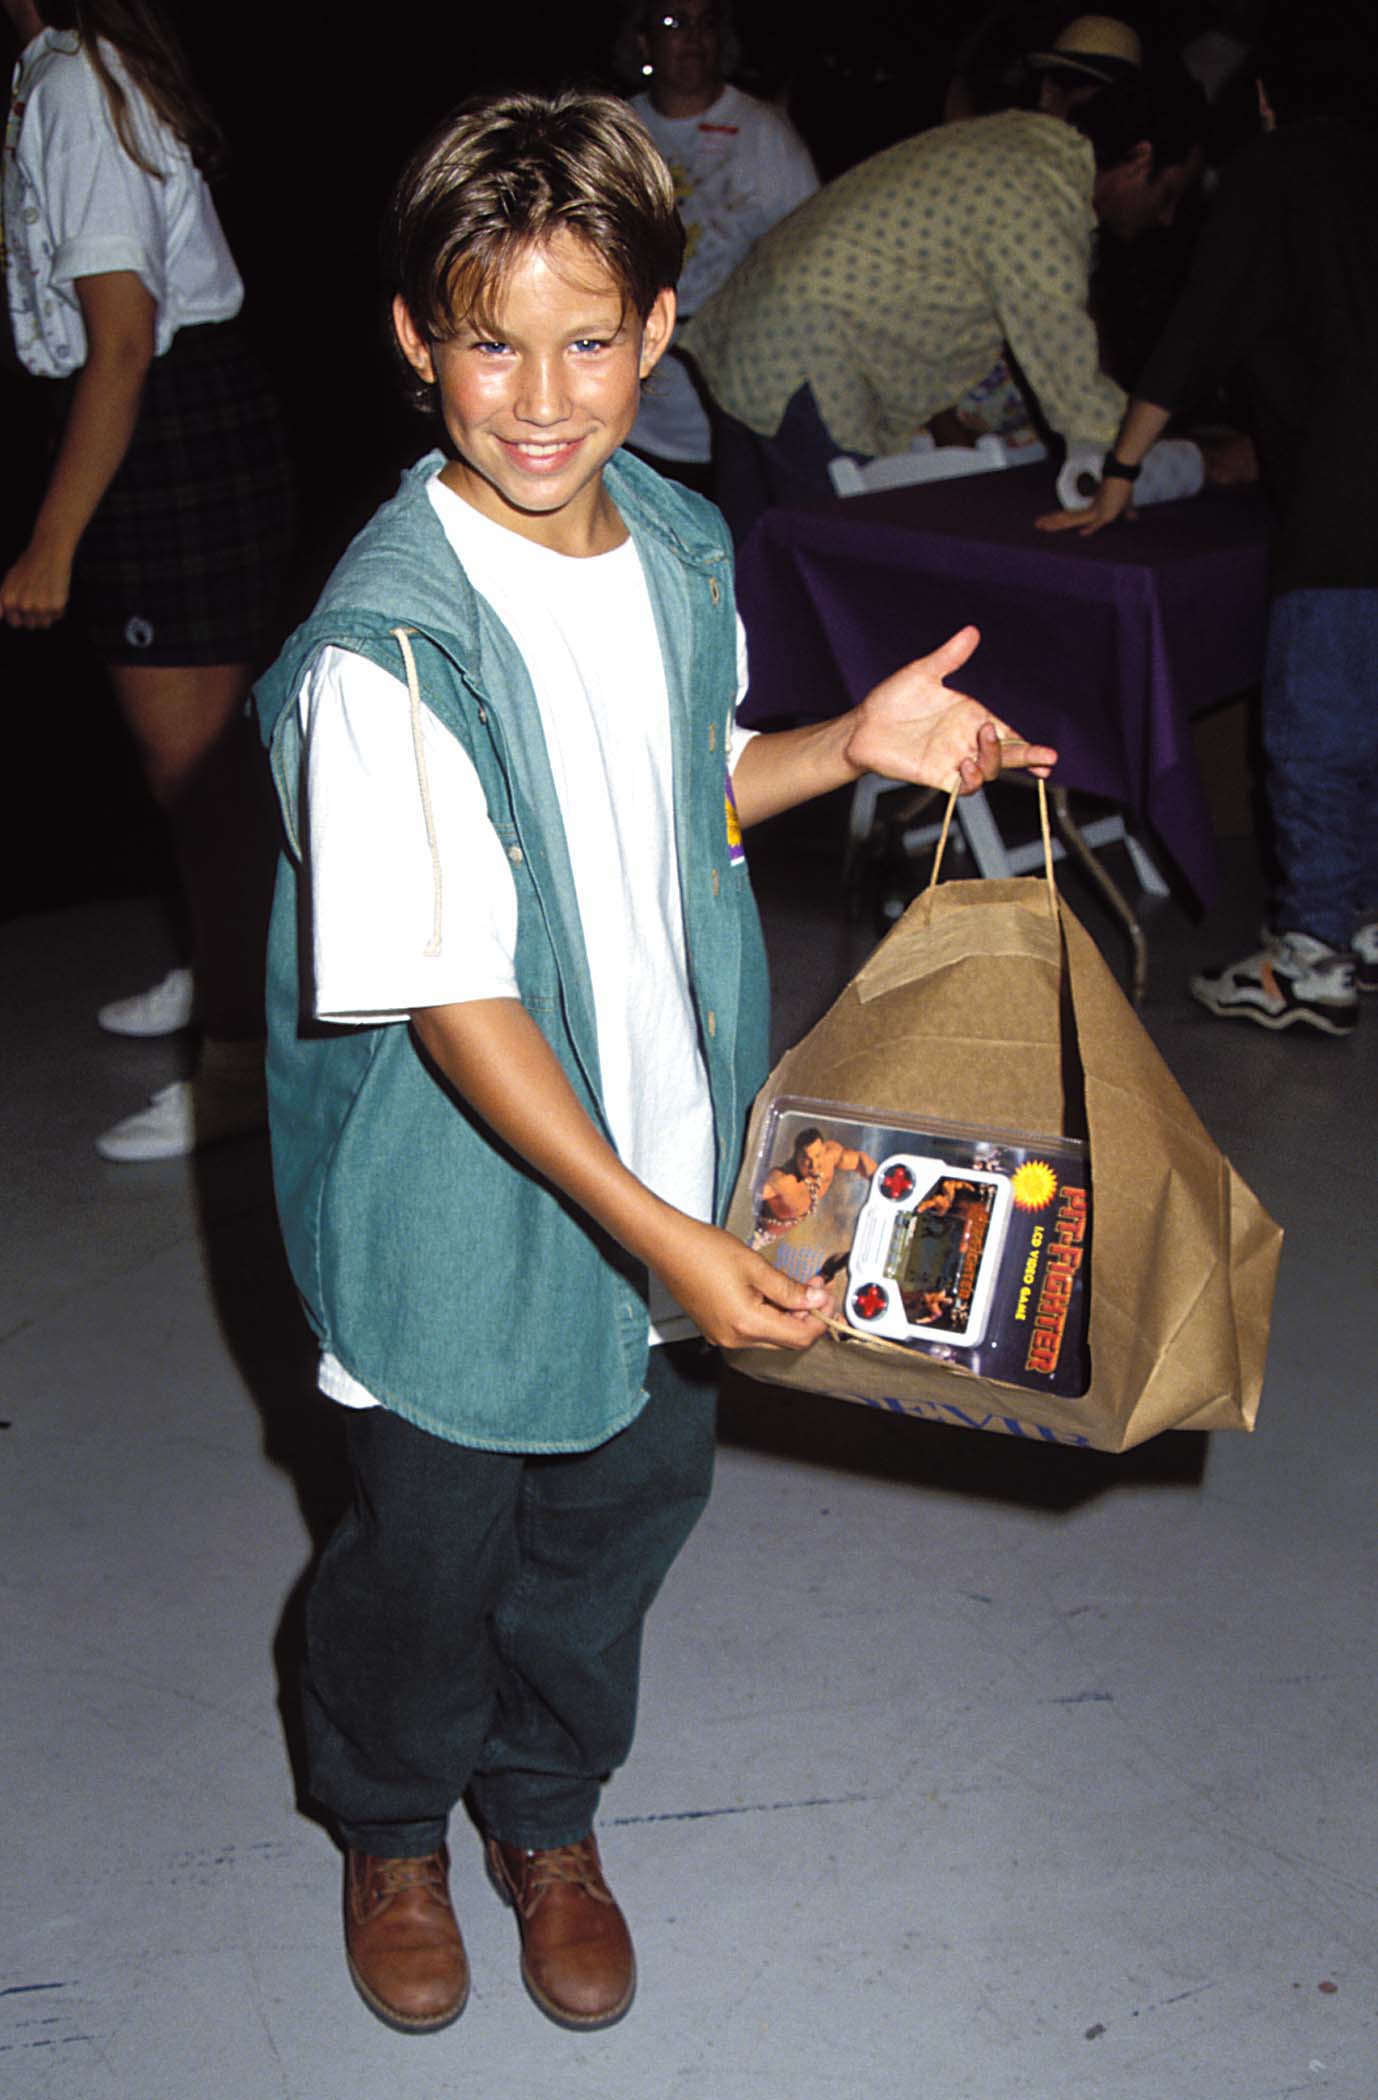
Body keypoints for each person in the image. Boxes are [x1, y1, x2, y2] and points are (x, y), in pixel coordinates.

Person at [251, 89, 1055, 2041]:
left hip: (675, 1189)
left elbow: (671, 797)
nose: (539, 396)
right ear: (412, 339)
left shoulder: (679, 545)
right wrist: (663, 1246)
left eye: (585, 336)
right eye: (488, 340)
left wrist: (837, 752)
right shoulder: (388, 650)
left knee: (611, 1532)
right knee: (426, 1561)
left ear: (661, 326)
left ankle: (545, 1817)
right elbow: (454, 996)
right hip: (468, 1225)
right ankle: (386, 1823)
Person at [1037, 12, 1378, 1036]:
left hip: (1341, 505)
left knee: (1314, 735)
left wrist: (1121, 472)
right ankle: (1359, 925)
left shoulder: (1274, 171)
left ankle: (1310, 958)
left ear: (1267, 101)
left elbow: (1201, 325)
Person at [1, 0, 294, 1157]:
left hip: (163, 421)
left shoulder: (78, 84)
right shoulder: (63, 72)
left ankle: (241, 1063)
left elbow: (121, 338)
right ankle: (215, 976)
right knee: (196, 777)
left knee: (207, 787)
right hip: (165, 417)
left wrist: (52, 543)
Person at [681, 54, 1205, 539]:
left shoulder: (1027, 144)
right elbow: (1066, 367)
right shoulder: (1043, 193)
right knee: (832, 568)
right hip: (803, 354)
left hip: (752, 333)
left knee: (745, 568)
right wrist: (1151, 456)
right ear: (1140, 161)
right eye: (1169, 194)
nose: (1166, 217)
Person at [615, 0, 817, 491]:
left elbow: (813, 257)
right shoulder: (617, 129)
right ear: (644, 41)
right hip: (637, 408)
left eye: (706, 23)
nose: (693, 37)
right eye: (674, 23)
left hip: (741, 399)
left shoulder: (763, 131)